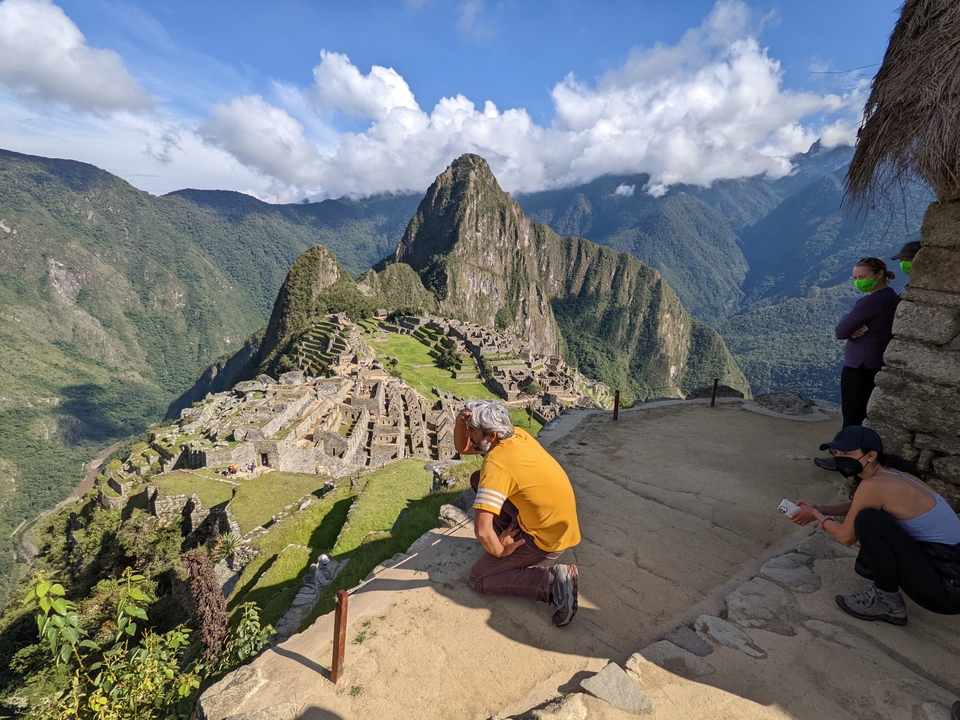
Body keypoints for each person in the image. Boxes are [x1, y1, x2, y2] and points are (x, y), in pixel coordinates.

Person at [791, 426, 960, 626]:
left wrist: (817, 516)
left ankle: (887, 602)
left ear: (870, 455)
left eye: (847, 454)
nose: (839, 458)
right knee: (869, 517)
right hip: (950, 571)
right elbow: (860, 505)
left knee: (868, 522)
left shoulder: (873, 486)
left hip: (948, 589)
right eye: (836, 453)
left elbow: (845, 537)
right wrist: (821, 508)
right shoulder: (893, 474)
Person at [454, 400, 581, 626]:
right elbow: (463, 448)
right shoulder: (516, 436)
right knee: (477, 479)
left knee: (479, 577)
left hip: (546, 540)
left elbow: (482, 531)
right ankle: (511, 535)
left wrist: (501, 550)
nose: (467, 434)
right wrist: (460, 421)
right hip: (555, 523)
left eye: (471, 430)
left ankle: (554, 581)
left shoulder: (497, 464)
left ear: (491, 436)